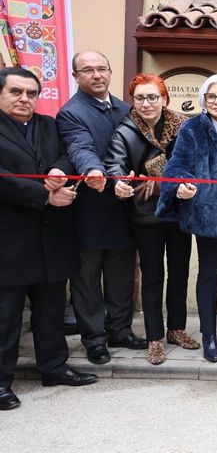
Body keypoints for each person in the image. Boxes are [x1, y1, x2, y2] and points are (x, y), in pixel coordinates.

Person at [0, 67, 97, 411]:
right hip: (10, 239)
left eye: (31, 93)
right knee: (6, 315)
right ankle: (1, 383)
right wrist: (44, 194)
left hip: (52, 236)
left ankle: (54, 367)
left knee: (52, 309)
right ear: (1, 94)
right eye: (16, 92)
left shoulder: (48, 124)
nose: (24, 99)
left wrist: (59, 170)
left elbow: (67, 153)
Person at [57, 51, 145, 364]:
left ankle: (120, 329)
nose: (96, 75)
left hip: (125, 208)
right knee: (87, 279)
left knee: (122, 275)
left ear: (109, 72)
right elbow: (80, 147)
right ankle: (94, 338)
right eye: (87, 70)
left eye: (101, 69)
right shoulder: (71, 112)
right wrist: (95, 173)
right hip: (90, 209)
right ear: (75, 76)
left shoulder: (126, 108)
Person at [155, 74, 217, 363]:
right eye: (211, 97)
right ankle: (208, 334)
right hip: (208, 212)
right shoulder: (192, 128)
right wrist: (181, 184)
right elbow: (177, 166)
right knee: (210, 274)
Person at [104, 73, 196, 365]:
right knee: (153, 275)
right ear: (133, 101)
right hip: (146, 215)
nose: (146, 103)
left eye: (152, 97)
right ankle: (155, 337)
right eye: (140, 98)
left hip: (180, 210)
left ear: (164, 98)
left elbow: (193, 162)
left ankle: (177, 329)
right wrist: (117, 182)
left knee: (180, 271)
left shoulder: (183, 126)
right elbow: (115, 165)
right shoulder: (125, 132)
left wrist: (163, 180)